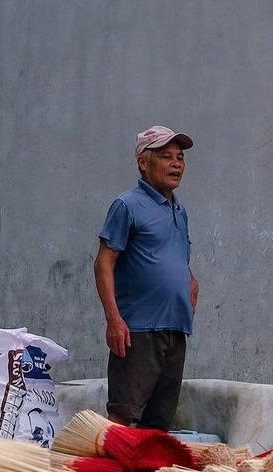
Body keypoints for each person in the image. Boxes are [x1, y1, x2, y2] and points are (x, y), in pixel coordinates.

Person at [96, 125, 201, 432]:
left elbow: (170, 254)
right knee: (123, 420)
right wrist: (114, 319)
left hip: (175, 329)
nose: (176, 164)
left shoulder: (179, 211)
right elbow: (103, 263)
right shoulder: (127, 205)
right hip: (138, 331)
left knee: (158, 426)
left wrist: (190, 279)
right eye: (166, 156)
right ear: (143, 162)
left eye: (180, 157)